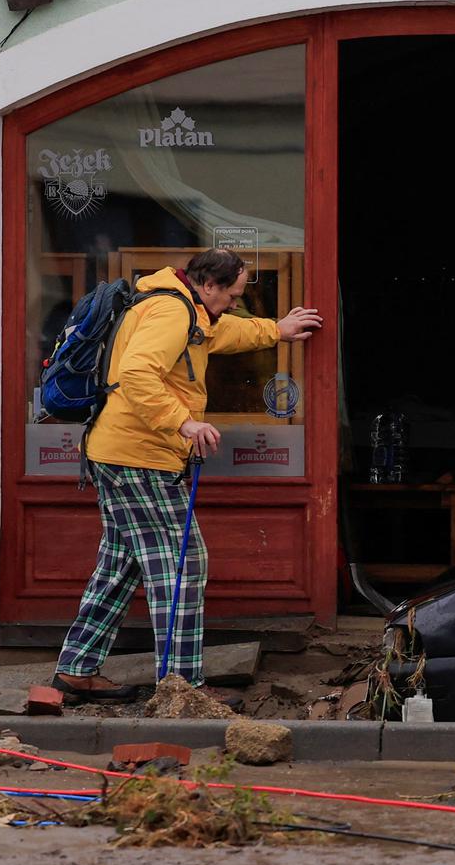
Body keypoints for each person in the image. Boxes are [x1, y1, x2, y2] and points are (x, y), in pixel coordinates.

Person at [51, 248, 322, 705]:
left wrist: (276, 330)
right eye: (232, 294)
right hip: (141, 457)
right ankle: (183, 686)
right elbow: (137, 374)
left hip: (118, 452)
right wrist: (183, 422)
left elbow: (219, 331)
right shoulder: (170, 311)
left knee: (120, 565)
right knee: (182, 564)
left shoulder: (184, 305)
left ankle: (76, 670)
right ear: (209, 285)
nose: (235, 303)